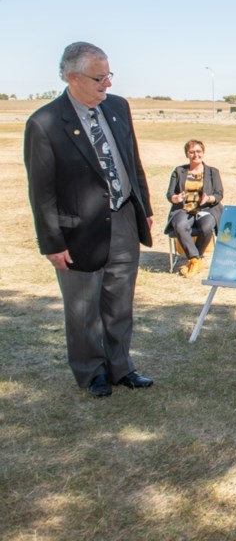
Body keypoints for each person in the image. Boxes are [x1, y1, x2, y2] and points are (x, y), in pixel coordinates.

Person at [23, 42, 155, 398]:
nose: (107, 84)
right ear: (72, 77)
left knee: (120, 302)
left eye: (109, 75)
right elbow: (42, 191)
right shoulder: (45, 122)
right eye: (99, 78)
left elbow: (131, 159)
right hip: (78, 229)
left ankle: (121, 366)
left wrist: (144, 206)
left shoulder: (118, 108)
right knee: (83, 308)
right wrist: (51, 242)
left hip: (124, 217)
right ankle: (91, 371)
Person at [164, 140, 224, 278]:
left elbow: (219, 194)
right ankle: (195, 259)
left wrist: (208, 198)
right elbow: (170, 194)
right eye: (192, 152)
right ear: (187, 154)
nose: (195, 155)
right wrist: (176, 198)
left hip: (206, 209)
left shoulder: (213, 172)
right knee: (180, 225)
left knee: (207, 226)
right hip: (183, 209)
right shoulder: (179, 171)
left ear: (203, 152)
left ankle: (196, 257)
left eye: (198, 151)